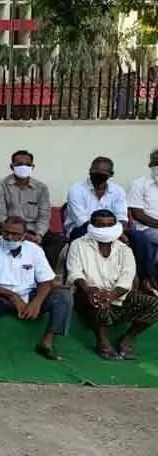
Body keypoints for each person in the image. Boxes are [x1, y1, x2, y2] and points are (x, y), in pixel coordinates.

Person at [0, 216, 73, 361]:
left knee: (64, 296)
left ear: (24, 236)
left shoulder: (34, 250)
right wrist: (13, 297)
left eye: (15, 234)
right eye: (6, 232)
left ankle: (47, 342)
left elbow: (46, 280)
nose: (9, 237)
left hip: (29, 295)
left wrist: (37, 302)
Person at [68, 209, 158, 360]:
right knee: (97, 301)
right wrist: (90, 290)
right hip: (88, 294)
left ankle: (128, 338)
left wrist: (112, 295)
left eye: (110, 225)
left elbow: (127, 278)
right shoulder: (78, 245)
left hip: (117, 295)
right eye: (101, 225)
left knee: (154, 304)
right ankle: (102, 340)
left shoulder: (124, 249)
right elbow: (74, 272)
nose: (106, 228)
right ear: (91, 225)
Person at [64, 156, 129, 240]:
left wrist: (118, 232)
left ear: (111, 174)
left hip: (113, 230)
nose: (97, 175)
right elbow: (81, 221)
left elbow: (121, 218)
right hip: (83, 230)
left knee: (139, 237)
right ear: (89, 170)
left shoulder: (118, 191)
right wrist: (109, 235)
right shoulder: (76, 189)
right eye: (94, 171)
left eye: (102, 173)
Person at [127, 149, 158, 292]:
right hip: (145, 229)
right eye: (156, 162)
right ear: (150, 165)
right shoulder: (139, 184)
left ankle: (150, 282)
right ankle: (148, 281)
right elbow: (137, 214)